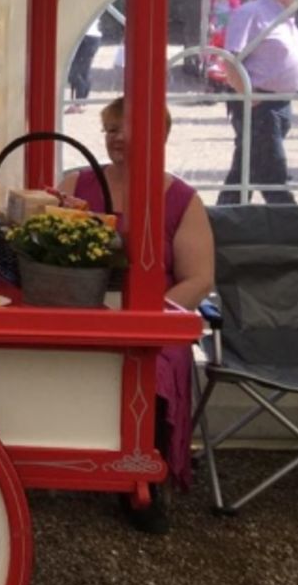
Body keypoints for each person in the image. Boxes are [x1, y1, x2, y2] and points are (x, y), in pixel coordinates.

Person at [60, 97, 215, 497]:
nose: (117, 137)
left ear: (159, 138)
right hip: (81, 313)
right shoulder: (74, 185)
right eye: (111, 129)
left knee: (156, 363)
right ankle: (34, 463)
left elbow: (198, 280)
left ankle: (145, 473)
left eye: (128, 129)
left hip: (154, 321)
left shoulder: (184, 200)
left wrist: (148, 317)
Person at [218, 0, 298, 205]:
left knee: (248, 165)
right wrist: (248, 96)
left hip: (280, 102)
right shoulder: (252, 12)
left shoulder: (286, 15)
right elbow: (230, 60)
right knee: (272, 169)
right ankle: (289, 220)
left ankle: (225, 218)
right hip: (258, 101)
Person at [66, 16, 105, 112]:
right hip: (89, 37)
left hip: (87, 37)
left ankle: (79, 102)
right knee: (83, 71)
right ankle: (81, 102)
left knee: (76, 73)